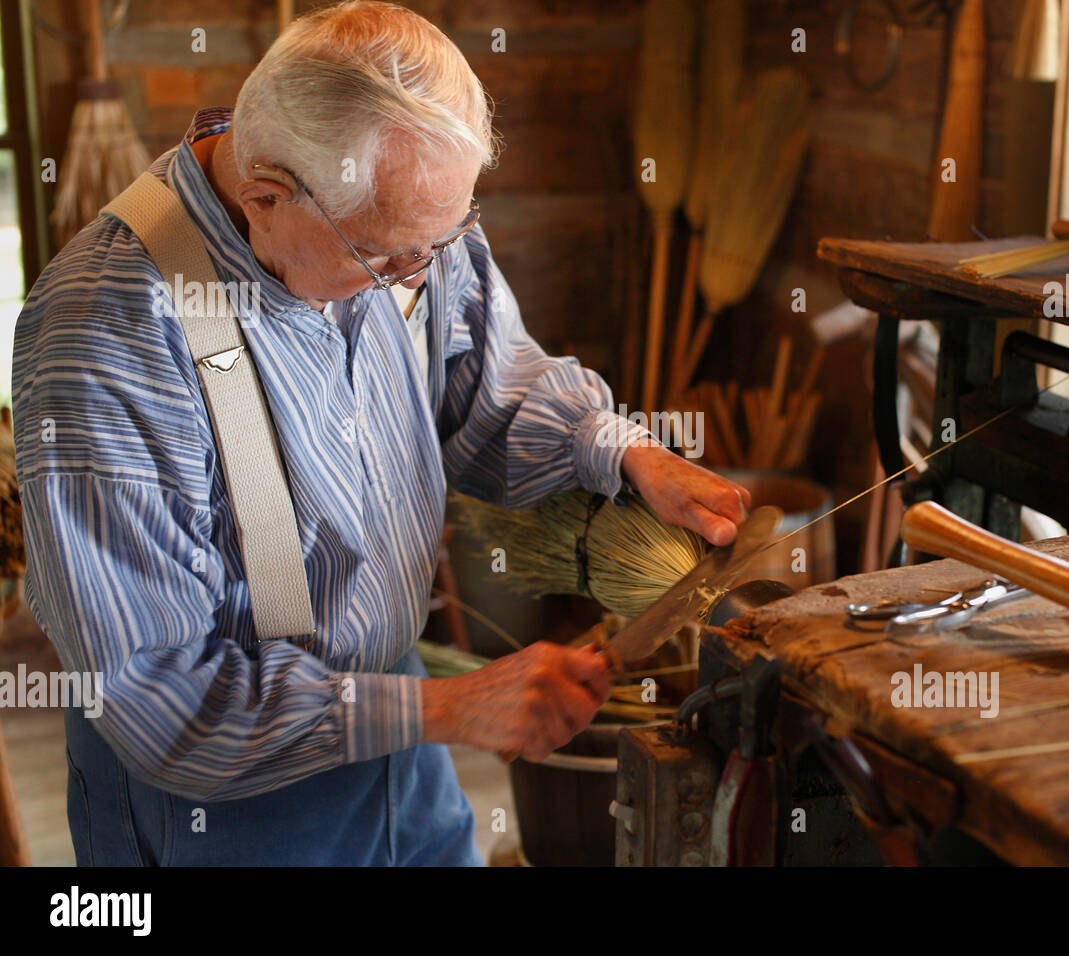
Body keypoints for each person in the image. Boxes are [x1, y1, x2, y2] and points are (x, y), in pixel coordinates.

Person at [12, 0, 749, 866]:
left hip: (398, 739)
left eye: (445, 238)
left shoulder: (405, 223)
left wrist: (625, 450)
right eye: (389, 258)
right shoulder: (109, 336)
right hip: (219, 804)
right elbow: (159, 699)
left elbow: (490, 388)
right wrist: (450, 707)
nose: (422, 275)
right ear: (266, 197)